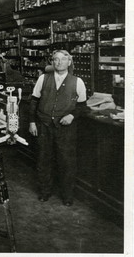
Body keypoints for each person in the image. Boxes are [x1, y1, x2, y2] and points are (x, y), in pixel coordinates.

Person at [28, 49, 87, 206]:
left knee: (66, 162)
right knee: (43, 160)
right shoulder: (43, 78)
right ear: (52, 62)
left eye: (62, 59)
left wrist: (72, 115)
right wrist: (32, 122)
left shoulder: (77, 81)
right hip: (44, 125)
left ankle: (67, 196)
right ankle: (44, 192)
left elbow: (82, 105)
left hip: (65, 129)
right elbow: (34, 101)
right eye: (55, 59)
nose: (58, 62)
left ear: (69, 62)